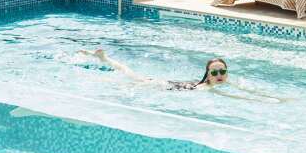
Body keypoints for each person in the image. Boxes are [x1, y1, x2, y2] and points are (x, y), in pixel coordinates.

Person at [79, 49, 228, 90]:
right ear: (208, 75)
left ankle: (104, 59)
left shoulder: (212, 83)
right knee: (125, 82)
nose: (219, 75)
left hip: (167, 84)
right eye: (215, 72)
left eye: (222, 71)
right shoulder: (206, 87)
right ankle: (97, 75)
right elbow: (224, 95)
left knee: (128, 72)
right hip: (160, 86)